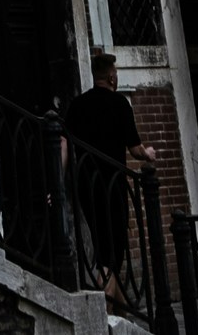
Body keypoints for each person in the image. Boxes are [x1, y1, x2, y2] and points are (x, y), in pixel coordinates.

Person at [62, 55, 145, 300]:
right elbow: (135, 149)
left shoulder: (78, 105)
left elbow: (64, 143)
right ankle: (106, 309)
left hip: (87, 186)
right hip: (113, 186)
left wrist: (59, 180)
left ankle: (120, 309)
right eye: (115, 73)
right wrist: (148, 154)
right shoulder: (120, 104)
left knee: (102, 246)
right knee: (112, 251)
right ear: (111, 76)